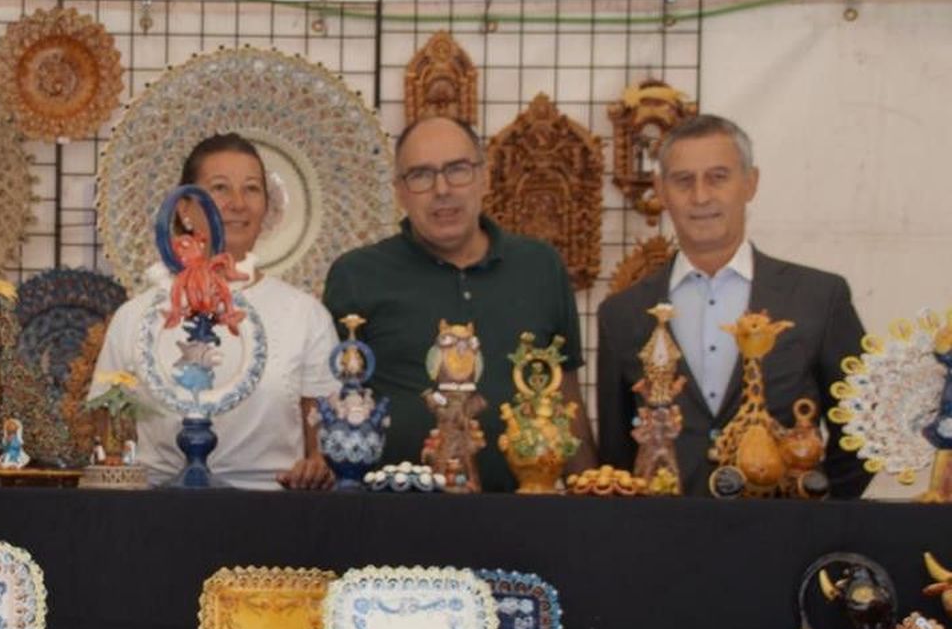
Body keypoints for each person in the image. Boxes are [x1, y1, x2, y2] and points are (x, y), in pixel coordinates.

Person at [596, 114, 872, 497]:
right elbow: (615, 456)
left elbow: (861, 434)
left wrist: (816, 509)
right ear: (660, 190)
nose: (700, 196)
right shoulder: (621, 315)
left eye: (718, 177)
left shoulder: (819, 298)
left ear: (750, 183)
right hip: (662, 530)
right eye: (683, 180)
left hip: (786, 528)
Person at [322, 115, 595, 491]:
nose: (442, 189)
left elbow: (566, 396)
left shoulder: (540, 266)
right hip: (393, 512)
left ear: (484, 177)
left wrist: (590, 497)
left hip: (523, 513)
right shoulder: (357, 275)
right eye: (421, 175)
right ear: (399, 191)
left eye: (457, 169)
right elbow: (329, 401)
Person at [91, 133, 340, 489]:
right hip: (157, 506)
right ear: (185, 208)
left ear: (266, 206)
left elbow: (326, 448)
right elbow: (106, 436)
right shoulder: (135, 317)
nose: (238, 203)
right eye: (220, 188)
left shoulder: (305, 316)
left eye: (252, 189)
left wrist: (316, 468)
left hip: (273, 505)